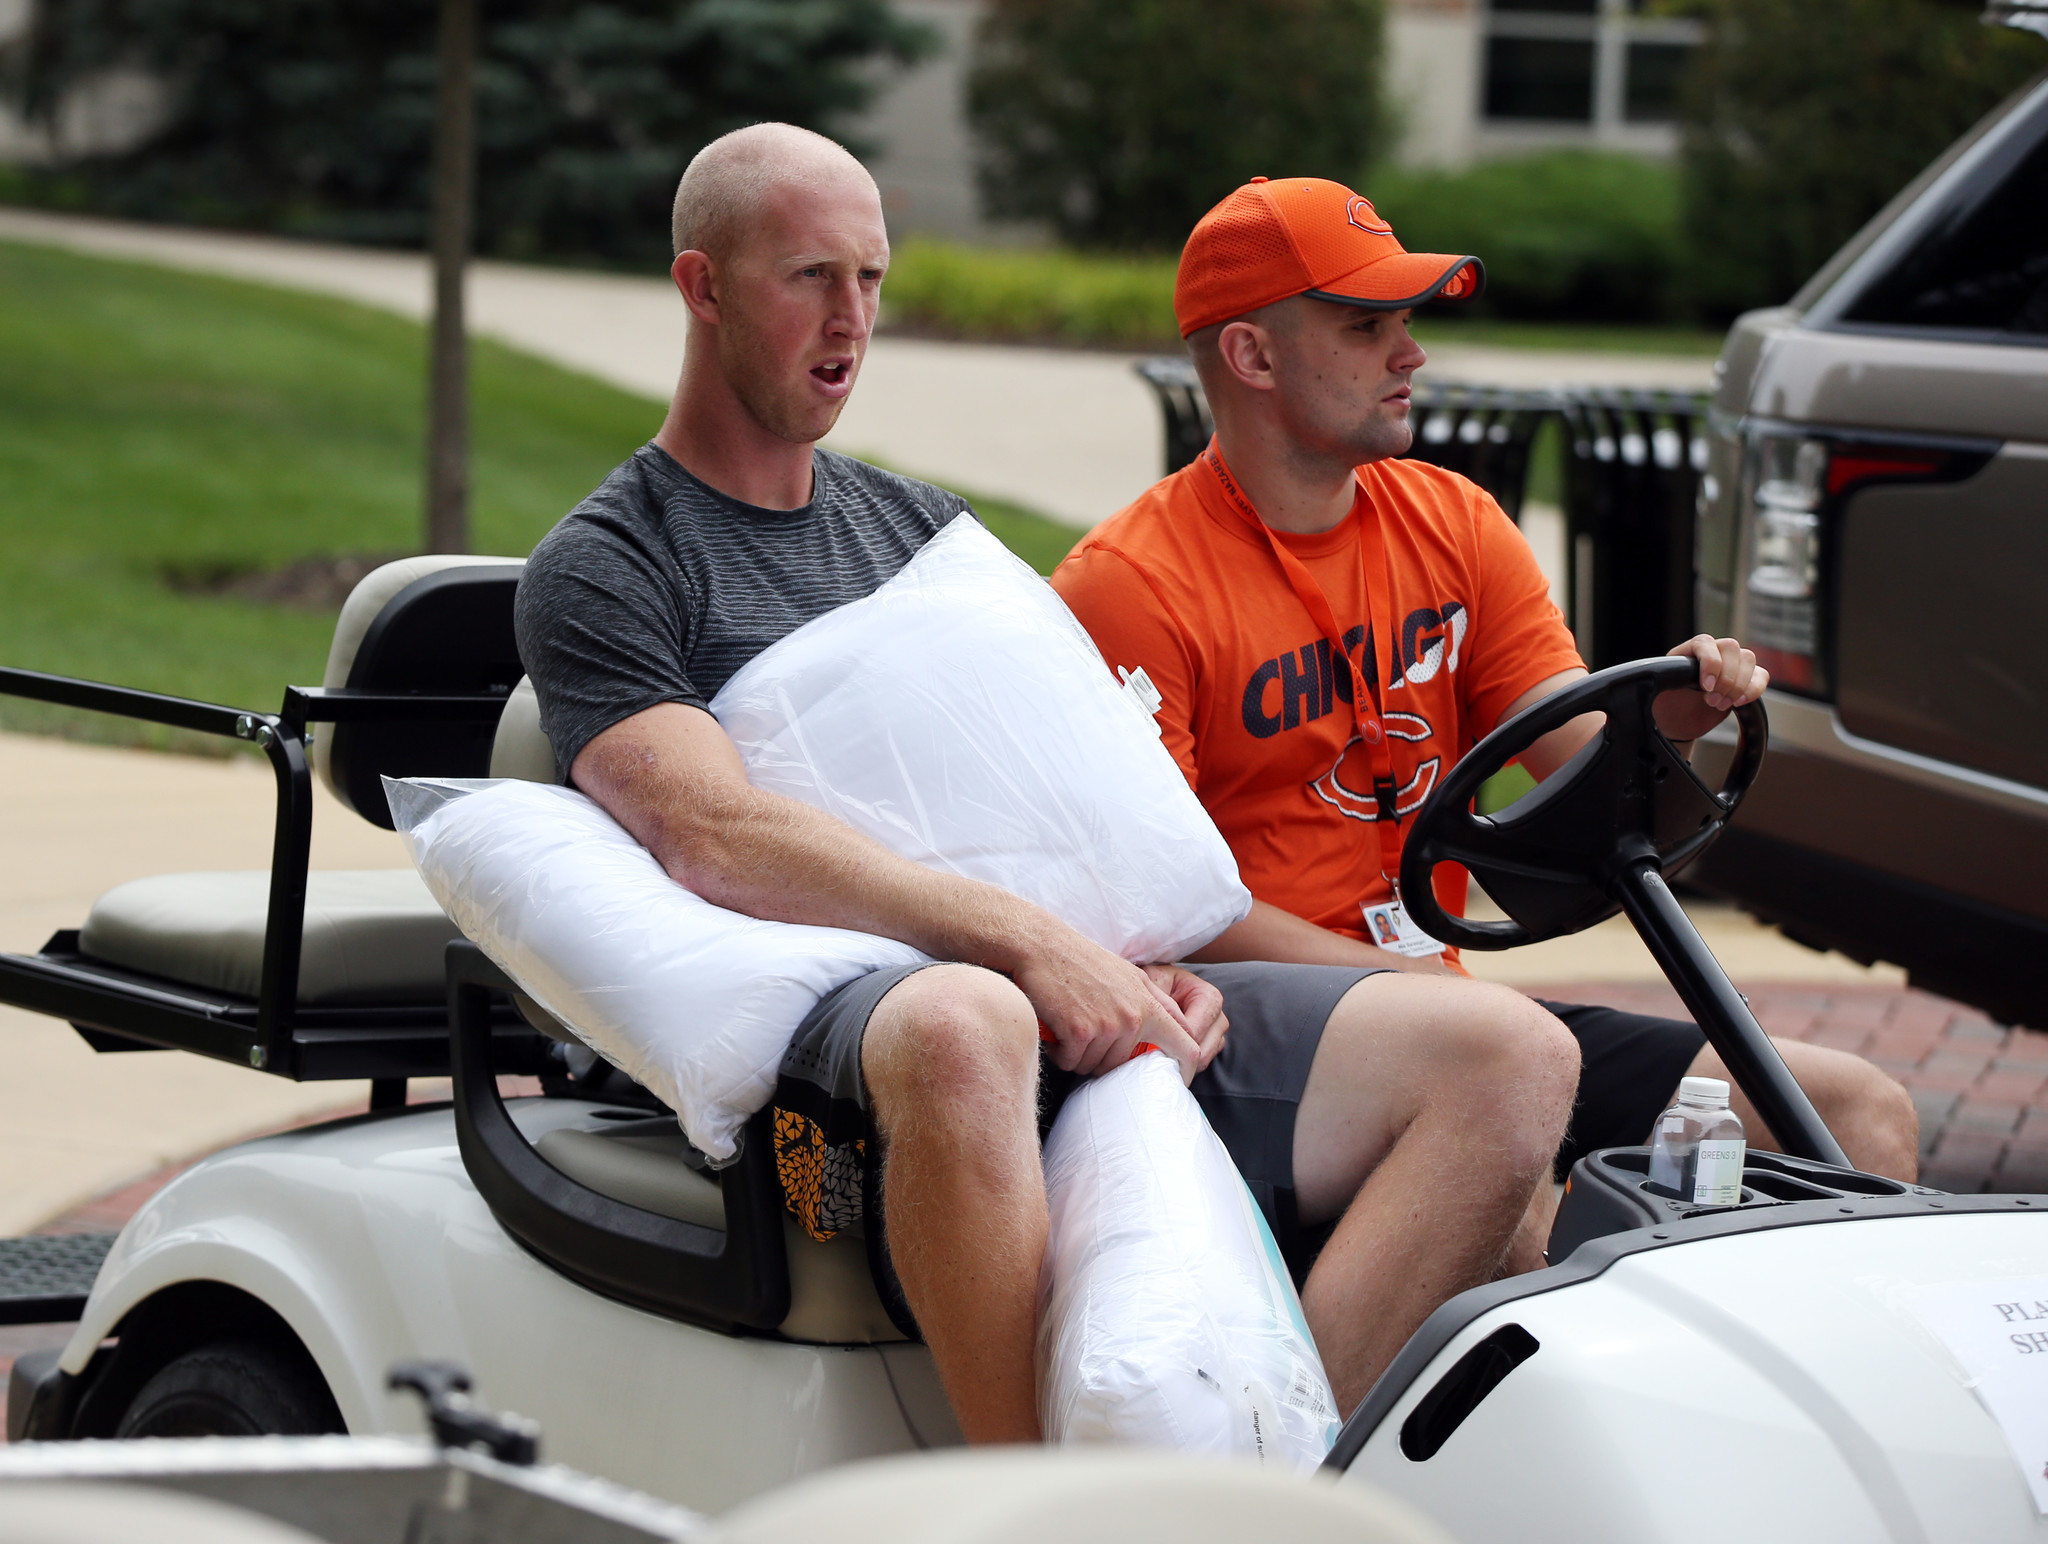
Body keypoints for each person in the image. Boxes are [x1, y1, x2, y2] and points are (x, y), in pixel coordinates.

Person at [513, 126, 1581, 1440]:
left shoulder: (920, 528)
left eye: (873, 279)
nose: (851, 319)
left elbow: (1071, 795)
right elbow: (708, 830)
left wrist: (1129, 946)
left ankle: (1289, 1505)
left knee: (1513, 1058)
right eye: (809, 276)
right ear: (704, 286)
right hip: (865, 994)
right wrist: (1034, 949)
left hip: (1060, 974)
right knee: (971, 1025)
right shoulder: (614, 560)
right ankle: (1029, 1503)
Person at [1049, 176, 1920, 1250]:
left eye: (1405, 322)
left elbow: (1579, 747)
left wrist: (1678, 711)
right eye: (1364, 326)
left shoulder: (1452, 518)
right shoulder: (1128, 584)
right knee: (1510, 1133)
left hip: (1463, 1014)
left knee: (1856, 1110)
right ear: (1252, 357)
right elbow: (1163, 907)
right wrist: (1405, 981)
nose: (1409, 354)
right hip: (1267, 1028)